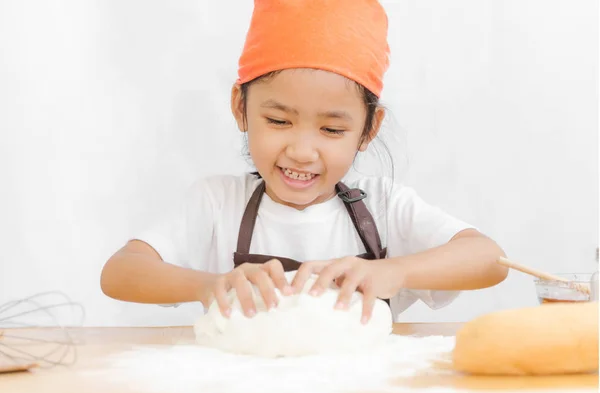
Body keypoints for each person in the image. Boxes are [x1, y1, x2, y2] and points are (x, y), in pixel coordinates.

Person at [100, 0, 508, 324]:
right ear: (240, 107)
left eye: (331, 130)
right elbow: (119, 272)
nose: (301, 150)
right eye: (278, 121)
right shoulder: (217, 202)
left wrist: (396, 272)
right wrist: (211, 286)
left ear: (368, 129)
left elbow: (490, 260)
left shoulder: (386, 206)